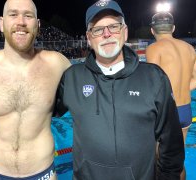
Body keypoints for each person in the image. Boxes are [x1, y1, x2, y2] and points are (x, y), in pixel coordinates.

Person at [54, 1, 185, 179]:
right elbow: (41, 112)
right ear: (88, 37)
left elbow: (171, 144)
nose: (107, 34)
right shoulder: (72, 78)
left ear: (124, 32)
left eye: (114, 27)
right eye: (98, 29)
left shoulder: (154, 78)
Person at [0, 0, 71, 179]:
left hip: (44, 173)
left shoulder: (58, 64)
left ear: (38, 25)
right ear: (1, 24)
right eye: (13, 14)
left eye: (28, 15)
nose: (21, 22)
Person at [145, 12, 196, 179]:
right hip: (185, 110)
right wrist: (182, 90)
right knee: (178, 161)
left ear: (152, 30)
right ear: (173, 28)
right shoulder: (188, 48)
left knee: (159, 160)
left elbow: (152, 83)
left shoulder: (153, 48)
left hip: (166, 113)